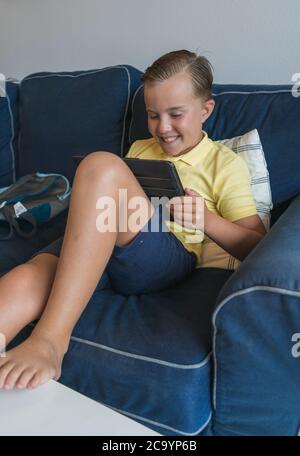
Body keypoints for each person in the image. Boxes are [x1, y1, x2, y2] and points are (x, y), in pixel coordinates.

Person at [0, 50, 266, 390]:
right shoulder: (141, 148)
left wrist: (207, 220)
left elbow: (256, 246)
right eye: (153, 115)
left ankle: (51, 340)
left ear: (206, 110)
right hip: (100, 241)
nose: (163, 128)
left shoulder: (223, 165)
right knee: (28, 276)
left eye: (175, 114)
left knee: (100, 165)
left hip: (166, 255)